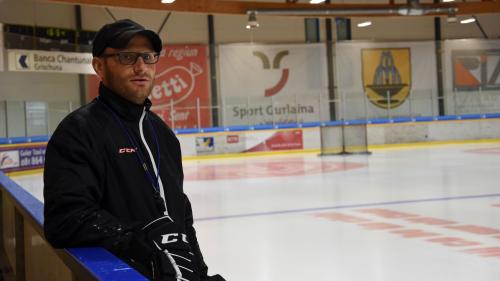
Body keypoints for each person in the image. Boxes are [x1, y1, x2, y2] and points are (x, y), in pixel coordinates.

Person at [43, 19, 225, 281]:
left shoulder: (163, 135)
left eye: (148, 57)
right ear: (99, 66)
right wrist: (141, 241)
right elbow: (66, 219)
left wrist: (199, 273)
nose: (141, 67)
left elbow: (181, 215)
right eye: (127, 57)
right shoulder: (79, 132)